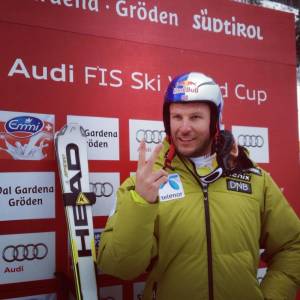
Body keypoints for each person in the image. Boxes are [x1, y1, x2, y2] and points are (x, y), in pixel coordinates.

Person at [97, 72, 300, 300]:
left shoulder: (253, 178)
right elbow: (118, 267)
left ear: (215, 121)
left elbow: (292, 246)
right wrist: (141, 203)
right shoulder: (145, 183)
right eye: (177, 117)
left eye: (195, 117)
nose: (184, 128)